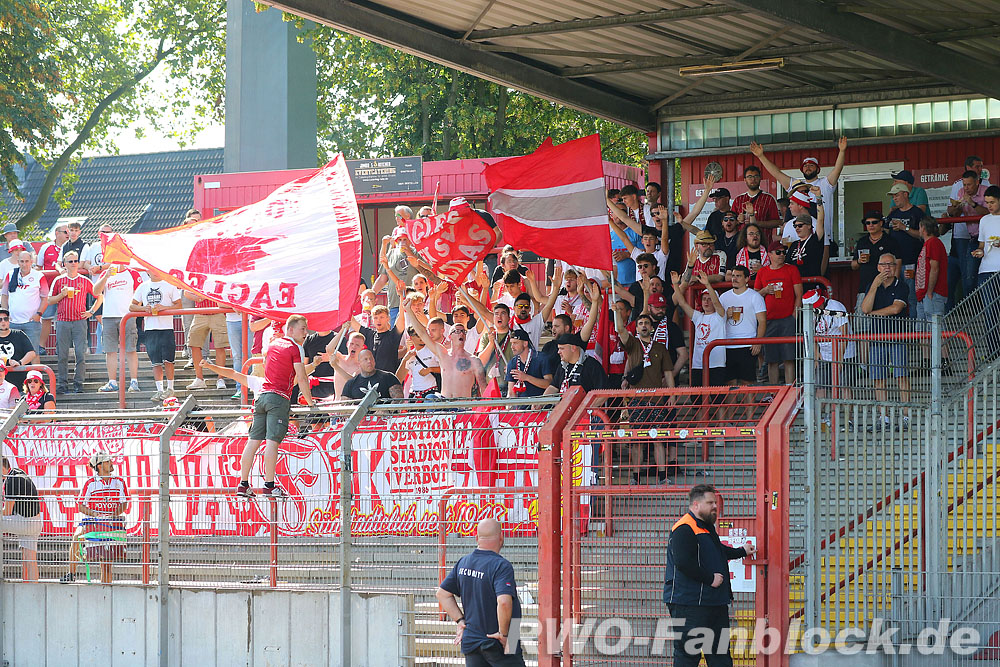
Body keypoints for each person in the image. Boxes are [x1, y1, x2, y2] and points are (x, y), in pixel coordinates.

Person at [663, 484, 755, 667]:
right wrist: (710, 579)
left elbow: (718, 550)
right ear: (696, 505)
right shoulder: (684, 528)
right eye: (710, 503)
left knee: (720, 655)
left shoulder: (705, 528)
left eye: (715, 503)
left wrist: (741, 551)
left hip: (713, 602)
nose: (715, 506)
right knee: (688, 656)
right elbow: (683, 562)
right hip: (689, 603)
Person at [236, 314, 314, 498]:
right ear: (291, 329)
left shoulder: (272, 345)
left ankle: (243, 484)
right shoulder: (295, 348)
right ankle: (269, 485)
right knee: (272, 442)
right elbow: (301, 377)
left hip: (262, 396)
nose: (306, 333)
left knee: (253, 441)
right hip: (278, 398)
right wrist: (311, 403)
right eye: (302, 329)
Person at [436, 517, 525, 667]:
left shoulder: (463, 562)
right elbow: (504, 602)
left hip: (471, 638)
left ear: (476, 537)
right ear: (501, 537)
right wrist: (504, 634)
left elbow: (442, 594)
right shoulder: (501, 565)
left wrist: (460, 621)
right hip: (503, 637)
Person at [61, 452, 129, 584]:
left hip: (111, 525)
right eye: (108, 461)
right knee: (76, 537)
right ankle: (71, 573)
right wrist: (96, 515)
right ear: (99, 466)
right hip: (93, 523)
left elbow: (124, 504)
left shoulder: (119, 481)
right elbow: (80, 506)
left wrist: (113, 516)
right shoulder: (90, 483)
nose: (111, 463)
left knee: (106, 565)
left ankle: (105, 589)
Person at [862, 252, 911, 428]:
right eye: (883, 265)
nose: (887, 268)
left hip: (897, 337)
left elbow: (896, 309)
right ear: (878, 267)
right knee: (878, 379)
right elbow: (864, 308)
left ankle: (905, 416)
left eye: (890, 264)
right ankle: (884, 417)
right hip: (877, 338)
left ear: (896, 267)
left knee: (901, 377)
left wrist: (873, 314)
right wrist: (875, 285)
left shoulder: (901, 285)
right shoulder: (872, 285)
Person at [406, 299, 487, 398]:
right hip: (444, 404)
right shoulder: (443, 354)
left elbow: (483, 388)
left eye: (463, 332)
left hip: (463, 404)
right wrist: (409, 310)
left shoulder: (474, 360)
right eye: (457, 331)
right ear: (450, 336)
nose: (461, 333)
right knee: (430, 398)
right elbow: (423, 333)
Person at [754, 242, 803, 385]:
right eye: (778, 252)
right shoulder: (762, 272)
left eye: (783, 252)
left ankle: (789, 390)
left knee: (789, 358)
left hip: (787, 318)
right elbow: (755, 296)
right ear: (769, 255)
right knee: (771, 359)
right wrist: (765, 291)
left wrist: (794, 315)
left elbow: (799, 294)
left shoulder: (791, 269)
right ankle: (774, 391)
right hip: (769, 319)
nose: (782, 255)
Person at [130, 270, 182, 402]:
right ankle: (159, 390)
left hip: (166, 327)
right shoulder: (143, 286)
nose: (155, 271)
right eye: (152, 269)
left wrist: (164, 308)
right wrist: (144, 308)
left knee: (169, 360)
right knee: (155, 362)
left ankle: (170, 388)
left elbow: (179, 305)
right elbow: (132, 306)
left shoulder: (170, 285)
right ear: (148, 271)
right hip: (150, 328)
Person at [91, 262, 143, 393]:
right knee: (110, 351)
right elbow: (95, 291)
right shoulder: (106, 273)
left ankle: (134, 381)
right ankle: (112, 382)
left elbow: (140, 295)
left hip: (127, 316)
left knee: (131, 349)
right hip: (108, 316)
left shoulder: (133, 273)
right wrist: (106, 276)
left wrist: (134, 313)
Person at [48, 250, 94, 394]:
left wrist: (91, 311)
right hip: (63, 321)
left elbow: (99, 295)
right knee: (62, 355)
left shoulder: (85, 280)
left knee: (80, 354)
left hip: (80, 321)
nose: (74, 264)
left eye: (76, 261)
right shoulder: (58, 280)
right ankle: (62, 384)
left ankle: (78, 384)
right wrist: (61, 295)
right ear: (64, 264)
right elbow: (49, 300)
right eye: (71, 261)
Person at [946, 159, 991, 304]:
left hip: (990, 239)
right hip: (972, 239)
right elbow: (953, 214)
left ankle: (988, 307)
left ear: (977, 182)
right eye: (964, 185)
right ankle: (973, 308)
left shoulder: (986, 191)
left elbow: (990, 213)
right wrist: (958, 207)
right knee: (969, 276)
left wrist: (972, 203)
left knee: (990, 273)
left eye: (969, 185)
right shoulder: (960, 192)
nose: (966, 188)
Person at [673, 272, 726, 387]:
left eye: (709, 299)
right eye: (704, 299)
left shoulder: (720, 316)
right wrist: (676, 284)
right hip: (698, 364)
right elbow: (682, 303)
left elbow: (717, 303)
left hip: (716, 364)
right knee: (697, 396)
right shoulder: (698, 317)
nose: (706, 302)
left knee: (718, 396)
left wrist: (707, 284)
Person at [718, 266, 767, 386]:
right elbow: (717, 321)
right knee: (730, 383)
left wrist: (758, 342)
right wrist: (726, 316)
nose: (734, 279)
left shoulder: (755, 296)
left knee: (747, 382)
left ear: (746, 279)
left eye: (738, 276)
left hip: (748, 344)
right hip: (727, 344)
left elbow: (762, 321)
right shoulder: (723, 297)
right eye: (733, 276)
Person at [885, 183, 925, 317]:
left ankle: (915, 327)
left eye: (896, 195)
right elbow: (885, 233)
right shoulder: (893, 214)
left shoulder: (917, 213)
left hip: (911, 262)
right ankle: (899, 327)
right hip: (894, 263)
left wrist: (904, 228)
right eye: (893, 196)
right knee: (894, 298)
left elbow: (922, 235)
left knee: (912, 298)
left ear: (906, 194)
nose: (894, 198)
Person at [1, 457, 42, 582]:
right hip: (35, 522)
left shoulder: (10, 480)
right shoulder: (18, 473)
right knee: (29, 560)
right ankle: (30, 588)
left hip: (25, 522)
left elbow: (7, 511)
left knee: (28, 559)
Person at [2, 250, 48, 351]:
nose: (24, 264)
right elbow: (4, 295)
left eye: (27, 261)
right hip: (13, 322)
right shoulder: (10, 274)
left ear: (31, 262)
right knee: (12, 352)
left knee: (33, 353)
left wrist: (39, 314)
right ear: (18, 262)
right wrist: (6, 315)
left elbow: (45, 298)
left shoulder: (39, 276)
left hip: (31, 322)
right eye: (22, 261)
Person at [182, 293, 230, 390]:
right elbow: (186, 292)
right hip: (201, 311)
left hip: (217, 311)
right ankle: (199, 378)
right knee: (193, 343)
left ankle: (220, 378)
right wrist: (198, 298)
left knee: (220, 346)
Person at [543, 333, 608, 395]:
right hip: (564, 402)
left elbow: (603, 393)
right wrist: (541, 401)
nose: (558, 352)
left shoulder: (592, 365)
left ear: (573, 348)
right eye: (558, 348)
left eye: (562, 348)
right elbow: (553, 387)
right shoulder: (562, 366)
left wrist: (587, 403)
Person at [354, 303, 405, 373]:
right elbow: (353, 322)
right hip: (372, 377)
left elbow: (401, 319)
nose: (378, 320)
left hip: (389, 377)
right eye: (376, 318)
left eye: (382, 317)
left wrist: (401, 298)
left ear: (388, 318)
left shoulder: (393, 335)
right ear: (372, 320)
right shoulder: (370, 335)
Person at [915, 218, 948, 321]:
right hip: (924, 293)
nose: (919, 230)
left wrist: (929, 291)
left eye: (919, 227)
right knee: (922, 326)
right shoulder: (929, 243)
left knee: (934, 324)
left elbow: (934, 268)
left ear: (923, 228)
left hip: (933, 292)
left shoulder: (933, 242)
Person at [397, 326, 441, 399]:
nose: (421, 336)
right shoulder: (410, 354)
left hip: (431, 393)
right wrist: (404, 360)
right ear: (411, 337)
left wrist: (430, 369)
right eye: (417, 334)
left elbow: (446, 369)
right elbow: (398, 378)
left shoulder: (432, 350)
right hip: (414, 394)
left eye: (423, 333)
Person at [505, 329, 551, 398]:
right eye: (511, 343)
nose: (512, 347)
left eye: (515, 343)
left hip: (540, 402)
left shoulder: (541, 358)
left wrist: (526, 377)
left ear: (525, 344)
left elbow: (549, 384)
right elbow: (511, 392)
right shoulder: (512, 363)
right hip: (521, 403)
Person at [0, 306, 36, 391]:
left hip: (20, 385)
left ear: (9, 320)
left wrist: (19, 363)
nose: (3, 322)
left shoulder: (19, 334)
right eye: (0, 320)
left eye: (6, 319)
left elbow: (31, 353)